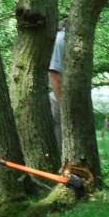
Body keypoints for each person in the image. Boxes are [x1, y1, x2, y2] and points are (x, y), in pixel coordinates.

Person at [48, 19, 66, 147]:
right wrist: (62, 103)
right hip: (59, 100)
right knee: (61, 144)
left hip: (69, 101)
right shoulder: (61, 39)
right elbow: (54, 75)